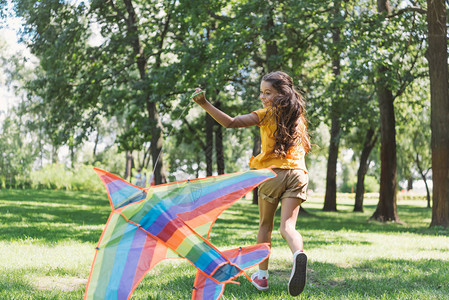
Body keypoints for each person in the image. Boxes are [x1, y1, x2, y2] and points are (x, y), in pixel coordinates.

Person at [192, 71, 310, 297]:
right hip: (298, 174)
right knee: (288, 227)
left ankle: (262, 277)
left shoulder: (265, 115)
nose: (262, 97)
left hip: (273, 175)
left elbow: (231, 122)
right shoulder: (298, 118)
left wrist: (205, 103)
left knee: (265, 226)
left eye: (268, 93)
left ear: (281, 95)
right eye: (261, 92)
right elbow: (305, 146)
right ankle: (298, 254)